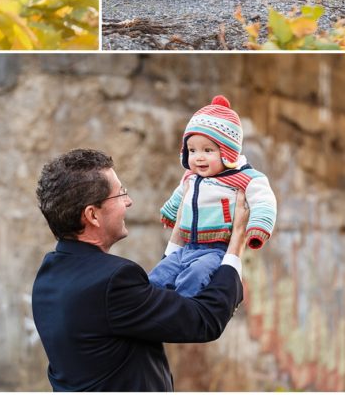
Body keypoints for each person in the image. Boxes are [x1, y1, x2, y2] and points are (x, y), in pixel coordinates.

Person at [31, 148, 246, 392]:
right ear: (92, 215)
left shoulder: (48, 276)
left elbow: (149, 305)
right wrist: (236, 242)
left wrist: (180, 239)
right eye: (120, 193)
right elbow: (203, 319)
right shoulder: (114, 281)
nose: (128, 201)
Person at [148, 95, 277, 297]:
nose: (198, 157)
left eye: (208, 150)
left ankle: (183, 310)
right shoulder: (191, 177)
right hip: (187, 247)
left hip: (215, 250)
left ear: (228, 152)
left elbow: (264, 200)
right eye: (192, 150)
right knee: (158, 276)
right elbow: (179, 195)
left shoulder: (244, 177)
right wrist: (170, 213)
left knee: (194, 277)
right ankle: (154, 307)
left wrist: (258, 228)